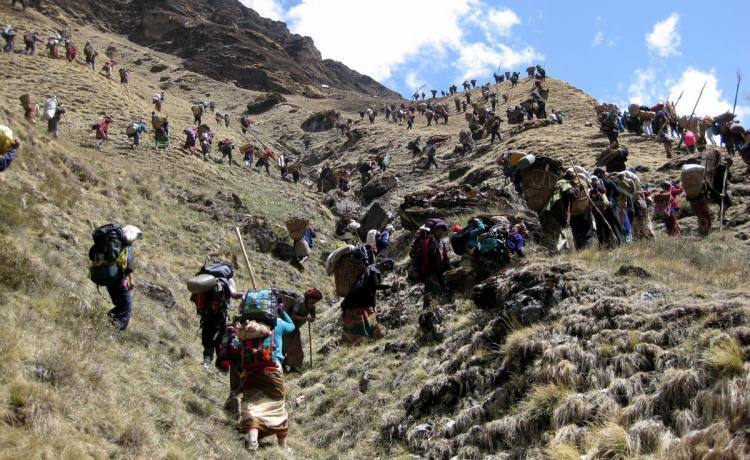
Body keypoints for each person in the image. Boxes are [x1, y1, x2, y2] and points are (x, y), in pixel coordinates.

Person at [341, 259, 394, 345]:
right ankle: (360, 343)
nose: (384, 272)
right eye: (385, 270)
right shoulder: (373, 270)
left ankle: (368, 340)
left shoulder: (371, 269)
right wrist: (389, 286)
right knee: (362, 322)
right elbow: (376, 285)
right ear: (384, 266)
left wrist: (391, 288)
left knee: (370, 320)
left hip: (358, 301)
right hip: (359, 302)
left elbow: (377, 290)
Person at [409, 219, 450, 308]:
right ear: (434, 229)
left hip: (436, 272)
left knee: (439, 294)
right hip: (428, 273)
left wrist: (450, 267)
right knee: (433, 297)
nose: (441, 232)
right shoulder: (428, 242)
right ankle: (430, 312)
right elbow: (428, 255)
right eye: (439, 229)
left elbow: (445, 258)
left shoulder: (440, 242)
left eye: (443, 230)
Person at [283, 288, 322, 372]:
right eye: (312, 300)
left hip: (296, 327)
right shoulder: (300, 303)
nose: (313, 302)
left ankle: (293, 366)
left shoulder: (312, 306)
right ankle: (284, 365)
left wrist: (312, 318)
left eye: (315, 301)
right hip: (288, 324)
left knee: (296, 346)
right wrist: (305, 318)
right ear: (308, 298)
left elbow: (313, 316)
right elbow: (293, 316)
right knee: (286, 344)